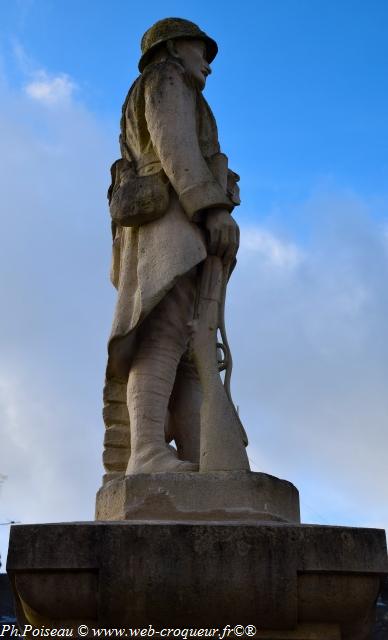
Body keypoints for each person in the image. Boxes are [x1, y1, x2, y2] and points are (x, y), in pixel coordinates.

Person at [102, 18, 241, 477]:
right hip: (170, 226)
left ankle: (202, 460)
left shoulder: (179, 89)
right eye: (202, 50)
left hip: (178, 224)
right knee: (165, 337)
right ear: (175, 48)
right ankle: (146, 453)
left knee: (187, 345)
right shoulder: (165, 80)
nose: (208, 64)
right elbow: (176, 150)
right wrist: (213, 207)